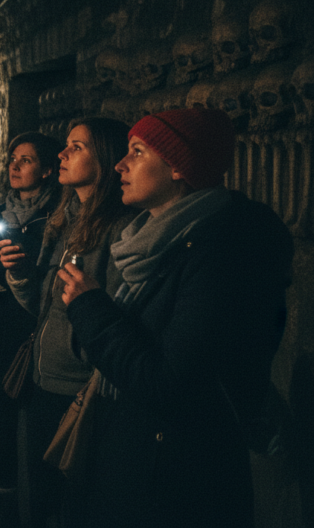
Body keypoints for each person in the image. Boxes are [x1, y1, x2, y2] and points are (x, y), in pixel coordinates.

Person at [59, 108, 292, 527]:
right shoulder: (155, 244)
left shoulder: (220, 255)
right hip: (141, 460)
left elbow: (169, 382)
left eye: (137, 152)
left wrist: (90, 307)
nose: (120, 165)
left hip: (175, 479)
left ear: (178, 168)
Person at [0, 118, 134, 527]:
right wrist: (21, 275)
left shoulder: (120, 228)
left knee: (79, 503)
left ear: (106, 158)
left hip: (80, 388)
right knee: (41, 499)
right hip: (44, 379)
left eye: (76, 148)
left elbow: (116, 316)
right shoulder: (65, 219)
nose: (62, 153)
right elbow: (45, 308)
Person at [0, 132, 61, 528]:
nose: (15, 165)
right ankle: (5, 503)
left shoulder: (58, 215)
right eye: (13, 158)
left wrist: (24, 269)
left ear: (46, 169)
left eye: (26, 160)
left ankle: (47, 509)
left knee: (44, 425)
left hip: (34, 329)